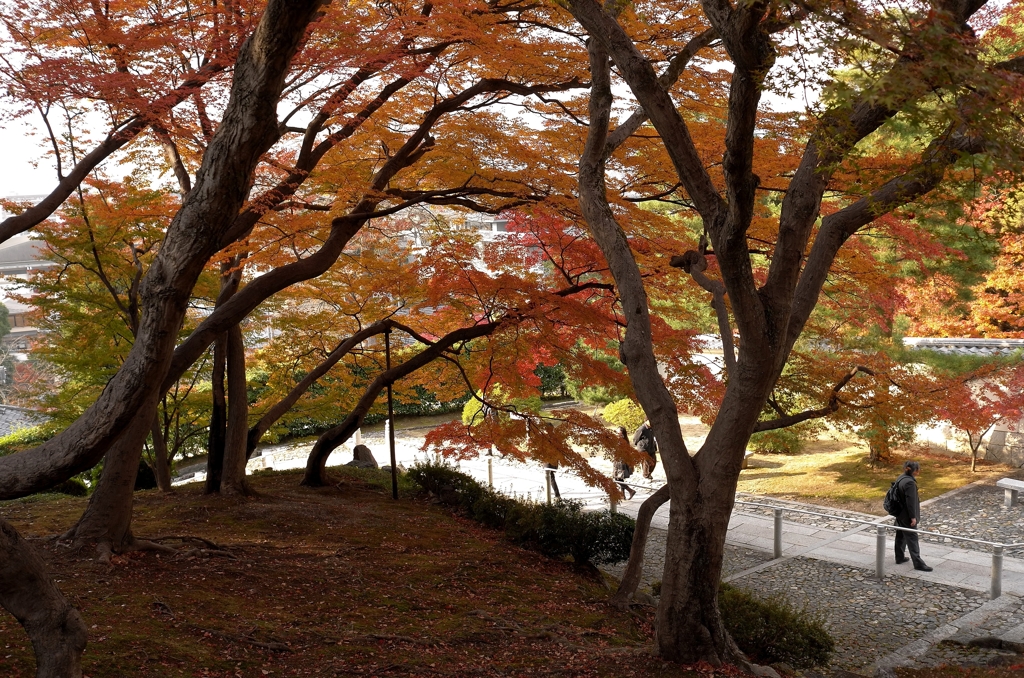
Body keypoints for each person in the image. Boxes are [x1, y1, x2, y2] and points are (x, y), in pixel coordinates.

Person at [893, 460, 933, 572]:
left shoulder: (901, 478)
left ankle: (899, 557)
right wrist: (913, 517)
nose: (919, 471)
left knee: (900, 535)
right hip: (906, 515)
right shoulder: (910, 483)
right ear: (915, 470)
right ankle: (918, 563)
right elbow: (910, 501)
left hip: (900, 513)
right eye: (918, 469)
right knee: (912, 538)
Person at [613, 426, 636, 500]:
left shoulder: (621, 440)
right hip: (620, 460)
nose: (616, 433)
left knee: (617, 478)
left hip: (620, 461)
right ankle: (622, 495)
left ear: (622, 433)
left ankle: (630, 490)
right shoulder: (623, 439)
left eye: (618, 432)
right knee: (620, 478)